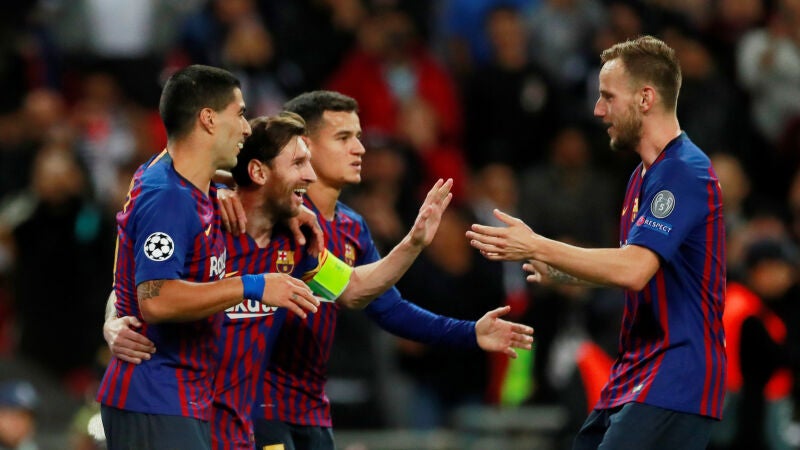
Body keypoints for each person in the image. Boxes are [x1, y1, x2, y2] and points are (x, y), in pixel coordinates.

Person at [104, 110, 458, 449]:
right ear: (259, 172)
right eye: (298, 163)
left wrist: (412, 243)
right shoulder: (205, 221)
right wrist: (114, 319)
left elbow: (353, 288)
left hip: (240, 430)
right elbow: (146, 285)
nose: (311, 176)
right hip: (177, 418)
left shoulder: (296, 244)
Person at [466, 36, 727, 450]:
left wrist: (536, 245)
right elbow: (636, 267)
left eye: (607, 97)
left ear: (645, 98)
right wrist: (565, 273)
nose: (598, 110)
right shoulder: (642, 176)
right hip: (636, 370)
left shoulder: (683, 171)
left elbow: (634, 269)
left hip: (677, 373)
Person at [251, 90, 534, 450]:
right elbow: (352, 291)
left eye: (358, 137)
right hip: (258, 406)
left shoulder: (352, 227)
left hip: (311, 408)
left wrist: (470, 331)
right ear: (304, 145)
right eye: (343, 138)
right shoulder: (271, 216)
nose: (359, 149)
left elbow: (385, 305)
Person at [95, 65, 320, 450]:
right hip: (155, 396)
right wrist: (253, 285)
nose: (246, 128)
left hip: (186, 400)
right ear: (209, 119)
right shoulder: (167, 197)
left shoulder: (189, 187)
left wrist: (262, 194)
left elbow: (353, 290)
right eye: (241, 114)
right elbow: (155, 299)